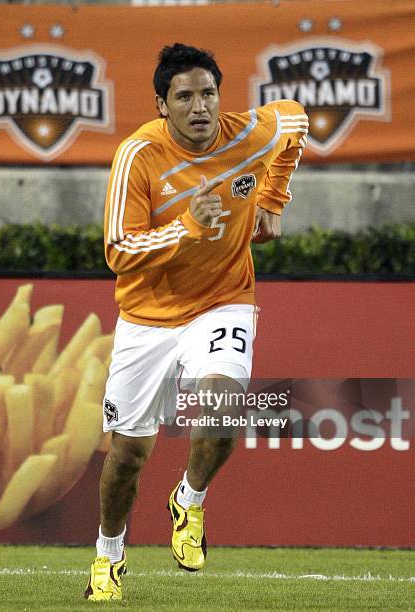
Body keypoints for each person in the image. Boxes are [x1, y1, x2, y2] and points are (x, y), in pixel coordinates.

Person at [84, 42, 308, 601]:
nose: (200, 106)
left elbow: (296, 118)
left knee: (222, 410)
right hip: (148, 317)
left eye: (208, 93)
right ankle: (108, 558)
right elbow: (119, 249)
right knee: (127, 457)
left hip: (223, 299)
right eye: (184, 96)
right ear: (162, 105)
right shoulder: (138, 156)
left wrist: (274, 198)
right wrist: (186, 224)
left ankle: (188, 500)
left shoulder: (248, 134)